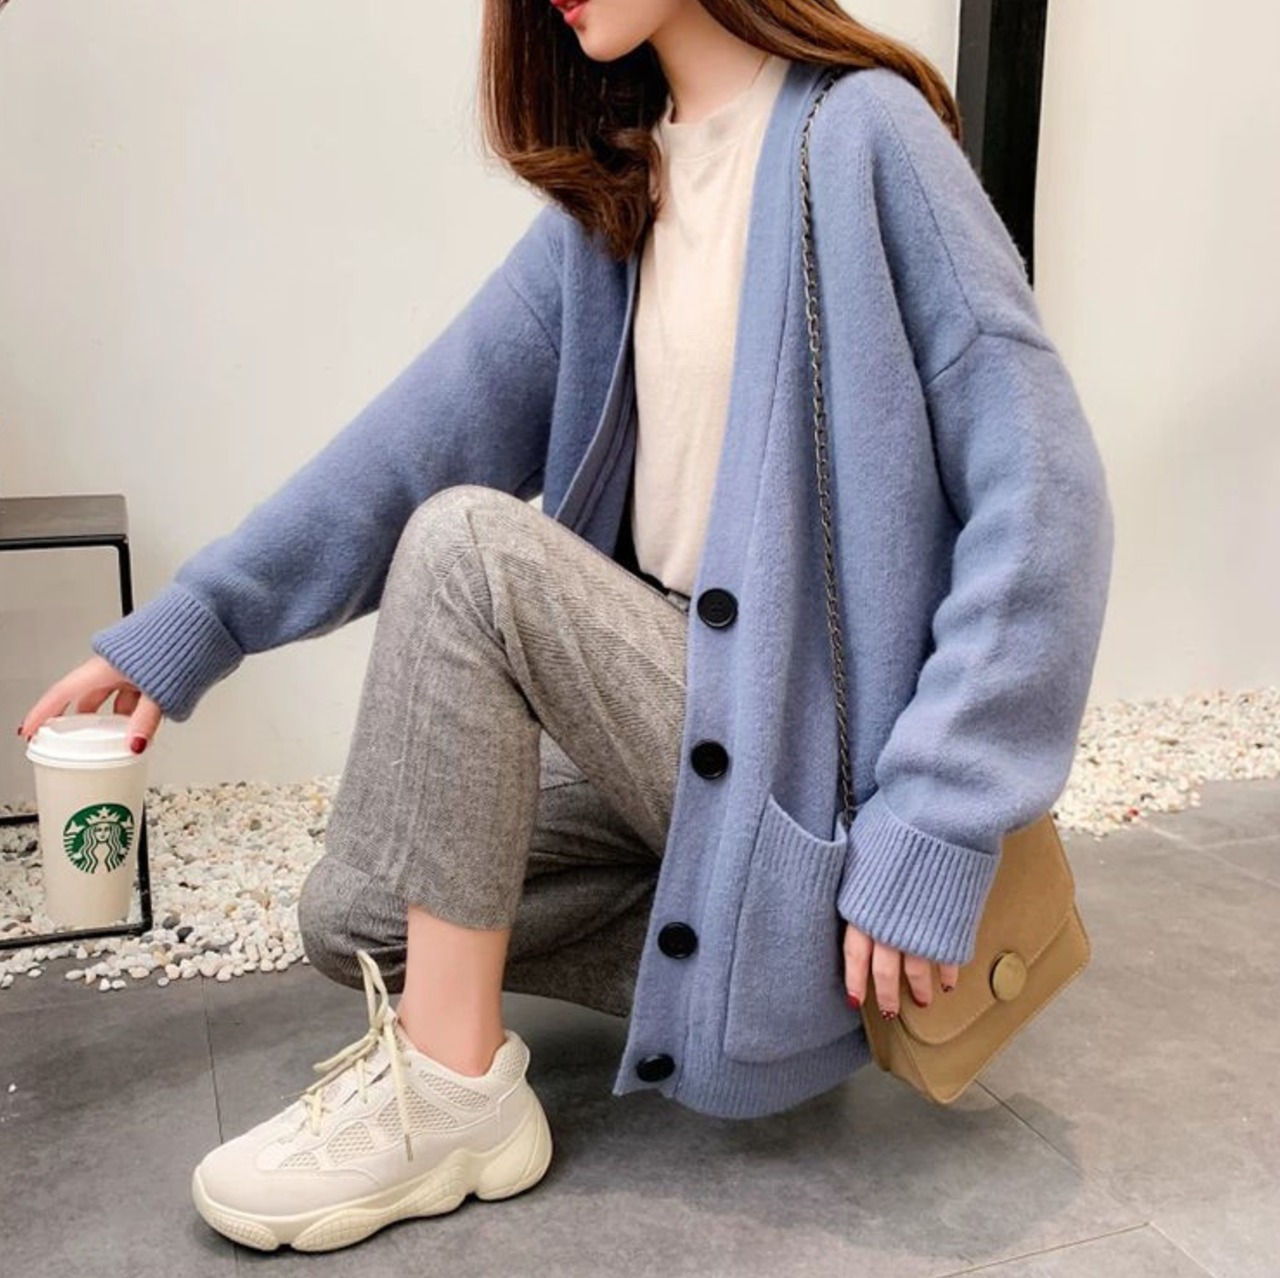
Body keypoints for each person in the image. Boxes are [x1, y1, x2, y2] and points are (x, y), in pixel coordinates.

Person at [16, 0, 1114, 1256]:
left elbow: (1045, 493)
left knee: (471, 553)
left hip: (811, 754)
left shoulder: (864, 138)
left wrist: (935, 815)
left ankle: (452, 1095)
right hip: (681, 731)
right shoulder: (617, 194)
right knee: (355, 915)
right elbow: (412, 438)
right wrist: (195, 622)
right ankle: (765, 964)